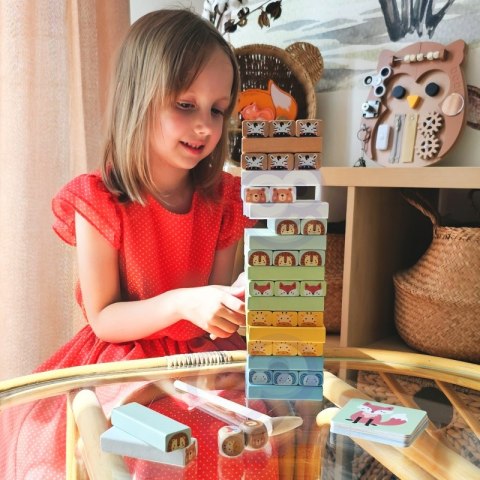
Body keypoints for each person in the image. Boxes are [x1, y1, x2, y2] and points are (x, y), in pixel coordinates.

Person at [0, 9, 281, 479]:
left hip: (202, 357)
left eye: (217, 109)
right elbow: (104, 317)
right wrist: (183, 302)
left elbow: (216, 319)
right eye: (185, 104)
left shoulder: (225, 200)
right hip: (125, 360)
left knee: (247, 433)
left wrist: (234, 304)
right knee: (146, 447)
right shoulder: (98, 200)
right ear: (139, 100)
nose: (205, 126)